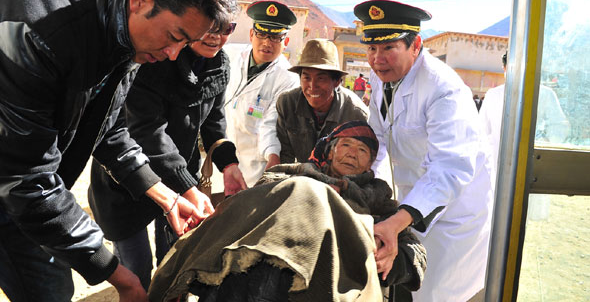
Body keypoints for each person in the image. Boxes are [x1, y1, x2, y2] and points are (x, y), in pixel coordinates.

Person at [0, 0, 237, 301]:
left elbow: (109, 129)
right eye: (174, 37)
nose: (173, 54)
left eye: (185, 42)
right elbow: (29, 180)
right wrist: (120, 275)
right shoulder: (40, 31)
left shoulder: (125, 36)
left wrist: (168, 197)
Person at [148, 121, 427, 302]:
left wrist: (387, 258)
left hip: (330, 276)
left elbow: (416, 257)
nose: (353, 153)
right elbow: (254, 206)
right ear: (329, 152)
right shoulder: (290, 174)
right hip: (262, 264)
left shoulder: (381, 203)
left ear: (369, 166)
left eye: (363, 150)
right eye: (346, 145)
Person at [87, 21, 248, 291]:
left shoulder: (219, 64)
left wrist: (228, 165)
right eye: (209, 26)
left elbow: (214, 123)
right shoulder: (156, 57)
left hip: (180, 183)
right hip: (129, 179)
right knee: (136, 270)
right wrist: (187, 184)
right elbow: (147, 130)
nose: (216, 37)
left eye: (226, 28)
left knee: (176, 264)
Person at [354, 0, 494, 302]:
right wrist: (363, 185)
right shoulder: (385, 79)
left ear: (415, 44)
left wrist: (395, 221)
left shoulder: (444, 89)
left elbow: (449, 169)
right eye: (371, 49)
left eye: (389, 47)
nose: (377, 59)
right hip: (413, 202)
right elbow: (376, 139)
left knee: (435, 293)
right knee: (406, 284)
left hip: (453, 213)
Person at [479, 51, 569, 219]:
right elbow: (481, 132)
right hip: (498, 164)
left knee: (524, 218)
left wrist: (544, 140)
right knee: (497, 214)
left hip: (532, 165)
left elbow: (560, 127)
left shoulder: (546, 94)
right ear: (505, 68)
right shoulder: (494, 95)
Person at [224, 1, 300, 186]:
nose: (267, 43)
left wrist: (273, 157)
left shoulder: (288, 79)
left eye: (275, 37)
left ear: (286, 42)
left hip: (255, 169)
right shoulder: (230, 56)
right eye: (262, 34)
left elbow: (270, 124)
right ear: (251, 34)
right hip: (223, 161)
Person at [275, 39, 368, 164]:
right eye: (306, 77)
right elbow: (285, 155)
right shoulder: (287, 103)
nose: (312, 86)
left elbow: (358, 166)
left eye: (321, 78)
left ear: (337, 82)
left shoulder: (356, 114)